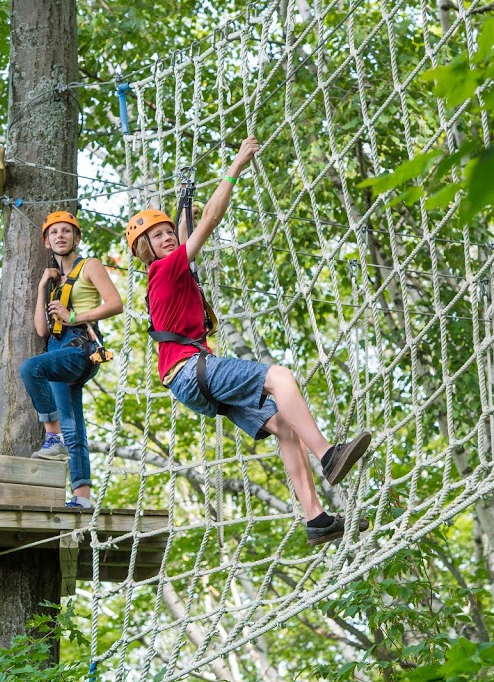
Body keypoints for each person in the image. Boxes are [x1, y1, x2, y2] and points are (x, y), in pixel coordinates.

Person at [125, 136, 371, 546]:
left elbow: (188, 230)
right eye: (158, 236)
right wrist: (235, 166)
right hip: (190, 370)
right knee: (280, 377)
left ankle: (317, 519)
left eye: (170, 232)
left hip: (188, 381)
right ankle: (329, 455)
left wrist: (184, 201)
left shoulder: (169, 272)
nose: (168, 238)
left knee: (284, 427)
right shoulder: (166, 269)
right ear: (145, 250)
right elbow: (209, 223)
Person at [20, 211, 123, 508]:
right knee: (73, 425)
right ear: (47, 241)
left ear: (76, 238)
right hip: (56, 348)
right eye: (54, 233)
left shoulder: (89, 265)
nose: (60, 236)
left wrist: (73, 315)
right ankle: (82, 497)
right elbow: (41, 329)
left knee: (30, 368)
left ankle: (52, 439)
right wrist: (42, 287)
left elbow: (115, 304)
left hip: (80, 346)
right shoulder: (53, 281)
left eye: (67, 231)